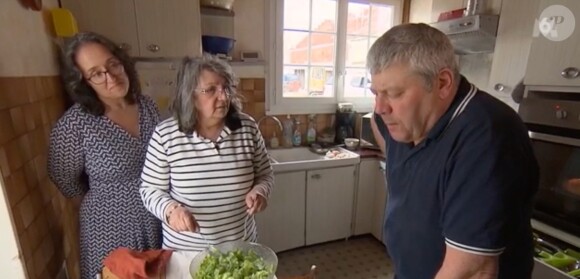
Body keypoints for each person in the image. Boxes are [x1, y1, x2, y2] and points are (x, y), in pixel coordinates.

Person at [367, 23, 539, 279]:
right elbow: (377, 120)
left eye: (394, 93)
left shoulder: (487, 135)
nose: (381, 107)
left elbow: (472, 271)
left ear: (443, 83)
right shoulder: (400, 120)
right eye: (375, 93)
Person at [140, 55, 274, 275]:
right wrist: (171, 210)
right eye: (211, 89)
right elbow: (149, 190)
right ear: (190, 96)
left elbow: (265, 173)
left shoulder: (247, 127)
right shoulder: (166, 135)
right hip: (186, 253)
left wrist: (261, 191)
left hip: (240, 249)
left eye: (226, 88)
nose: (223, 97)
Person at [47, 32, 162, 279]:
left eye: (112, 64)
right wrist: (104, 201)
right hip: (109, 228)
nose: (111, 76)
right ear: (84, 82)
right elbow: (63, 178)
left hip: (157, 220)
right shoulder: (74, 124)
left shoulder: (147, 106)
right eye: (97, 73)